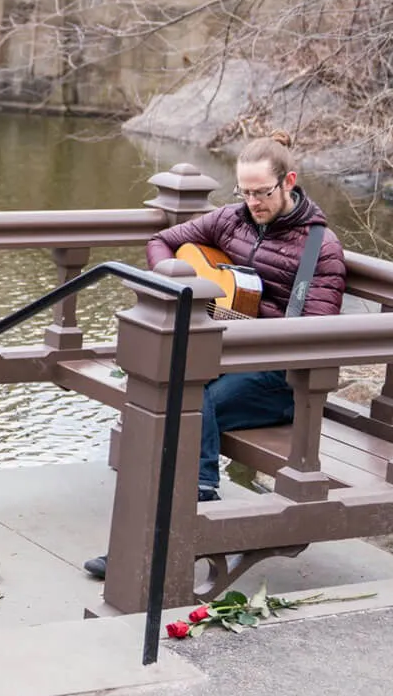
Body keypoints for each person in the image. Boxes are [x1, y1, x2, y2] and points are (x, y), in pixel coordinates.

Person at [82, 133, 345, 580]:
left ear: (289, 183)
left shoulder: (320, 250)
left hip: (281, 379)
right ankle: (161, 534)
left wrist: (251, 336)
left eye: (262, 193)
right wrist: (183, 283)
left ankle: (188, 508)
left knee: (180, 402)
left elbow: (312, 340)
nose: (253, 203)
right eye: (245, 191)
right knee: (176, 395)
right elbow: (163, 241)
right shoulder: (231, 219)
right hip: (223, 363)